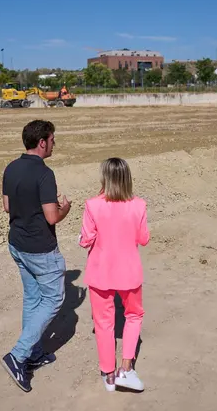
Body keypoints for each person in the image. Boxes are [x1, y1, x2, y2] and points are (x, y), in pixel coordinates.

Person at [0, 119, 72, 393]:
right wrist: (64, 208)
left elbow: (7, 206)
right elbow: (52, 217)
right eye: (53, 140)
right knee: (53, 298)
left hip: (17, 244)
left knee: (32, 298)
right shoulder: (44, 174)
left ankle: (33, 351)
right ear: (42, 142)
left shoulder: (11, 167)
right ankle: (18, 355)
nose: (54, 144)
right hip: (40, 249)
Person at [78, 158, 150, 392]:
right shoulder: (139, 205)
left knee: (103, 323)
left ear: (104, 178)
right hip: (129, 271)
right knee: (134, 315)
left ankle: (109, 376)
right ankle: (126, 368)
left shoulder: (92, 205)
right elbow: (144, 239)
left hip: (100, 272)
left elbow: (85, 240)